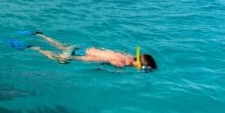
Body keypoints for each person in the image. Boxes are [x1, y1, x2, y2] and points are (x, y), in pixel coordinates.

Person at [28, 32, 157, 71]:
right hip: (79, 56)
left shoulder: (127, 55)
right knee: (58, 58)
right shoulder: (122, 63)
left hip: (83, 48)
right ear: (140, 64)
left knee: (61, 46)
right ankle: (35, 48)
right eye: (145, 68)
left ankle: (41, 35)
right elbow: (113, 67)